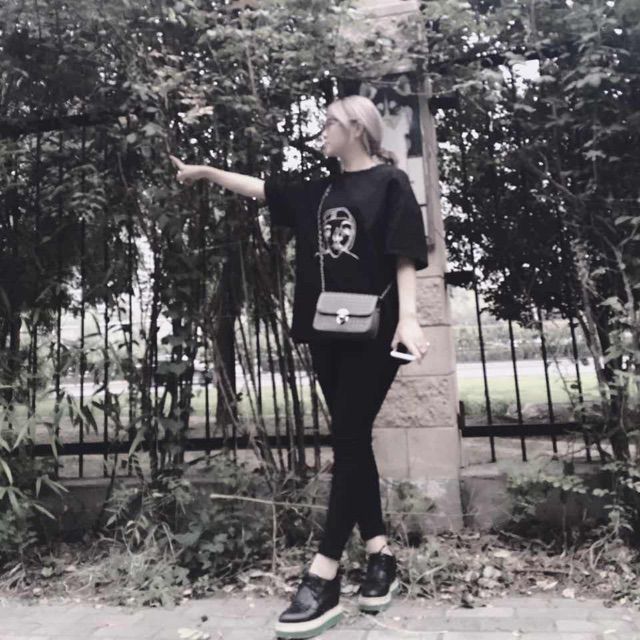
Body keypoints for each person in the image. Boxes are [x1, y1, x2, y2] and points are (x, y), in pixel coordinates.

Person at [169, 94, 430, 639]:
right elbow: (261, 189)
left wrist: (409, 318)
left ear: (355, 128)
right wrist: (206, 172)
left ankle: (324, 573)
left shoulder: (390, 183)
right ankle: (380, 555)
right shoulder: (321, 191)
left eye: (329, 123)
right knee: (353, 441)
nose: (322, 131)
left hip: (376, 331)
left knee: (349, 440)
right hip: (326, 329)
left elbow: (404, 254)